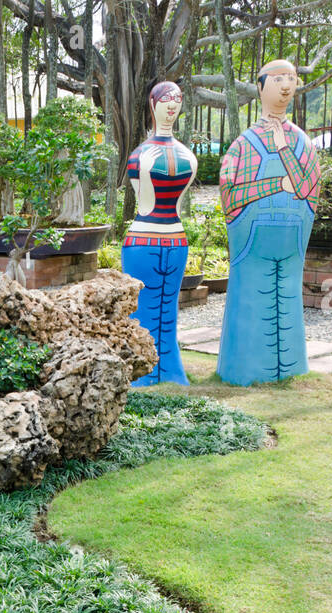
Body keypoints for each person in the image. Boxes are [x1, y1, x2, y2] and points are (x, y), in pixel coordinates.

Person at [216, 59, 321, 386]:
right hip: (252, 244)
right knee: (251, 300)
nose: (287, 86)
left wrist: (282, 151)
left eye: (291, 78)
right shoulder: (243, 145)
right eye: (278, 79)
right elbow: (231, 194)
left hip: (291, 243)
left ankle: (290, 372)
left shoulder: (302, 142)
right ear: (260, 87)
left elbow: (307, 188)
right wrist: (276, 185)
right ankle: (245, 372)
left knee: (288, 300)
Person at [123, 81, 197, 386]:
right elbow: (146, 202)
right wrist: (144, 171)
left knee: (168, 307)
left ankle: (168, 370)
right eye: (165, 100)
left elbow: (175, 203)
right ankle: (142, 372)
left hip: (173, 239)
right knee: (145, 307)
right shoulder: (140, 156)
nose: (171, 106)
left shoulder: (187, 157)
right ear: (153, 106)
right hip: (144, 239)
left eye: (177, 100)